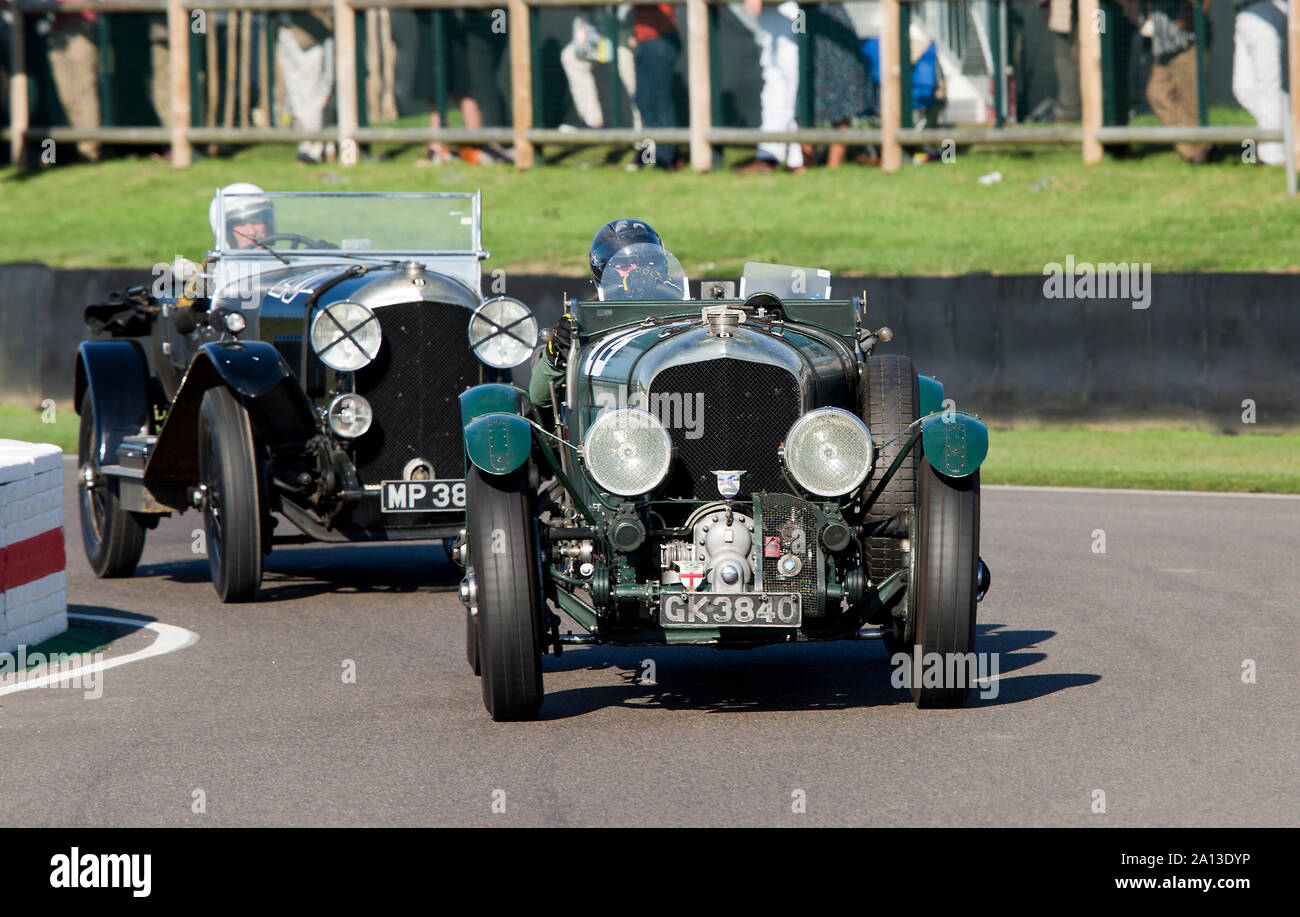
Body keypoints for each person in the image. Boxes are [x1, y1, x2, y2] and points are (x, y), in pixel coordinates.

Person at [529, 219, 667, 412]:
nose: (636, 271)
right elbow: (539, 398)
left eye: (645, 261)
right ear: (602, 269)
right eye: (623, 264)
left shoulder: (683, 310)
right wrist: (558, 350)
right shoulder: (584, 321)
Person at [736, 0, 804, 174]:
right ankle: (769, 155)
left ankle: (798, 159)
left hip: (797, 16)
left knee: (794, 83)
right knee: (773, 87)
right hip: (770, 22)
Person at [1140, 0, 1212, 163]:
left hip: (1188, 42)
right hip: (1164, 46)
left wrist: (1190, 17)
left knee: (1191, 105)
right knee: (1156, 93)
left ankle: (1199, 153)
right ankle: (1192, 149)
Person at [560, 8, 642, 131]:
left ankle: (643, 131)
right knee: (571, 57)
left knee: (633, 80)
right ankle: (592, 122)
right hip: (597, 29)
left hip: (625, 29)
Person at [1232, 0, 1288, 165]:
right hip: (1243, 14)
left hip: (1266, 11)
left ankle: (1273, 155)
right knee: (1242, 89)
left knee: (1268, 89)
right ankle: (1287, 131)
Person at [277, 11, 335, 164]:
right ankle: (312, 146)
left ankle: (312, 150)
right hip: (287, 31)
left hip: (313, 36)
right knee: (297, 97)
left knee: (312, 95)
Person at [47, 0, 101, 162]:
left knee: (84, 91)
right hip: (58, 31)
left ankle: (90, 150)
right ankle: (82, 147)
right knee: (67, 95)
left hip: (81, 27)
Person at [633, 4, 681, 168]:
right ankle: (652, 156)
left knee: (660, 101)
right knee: (643, 100)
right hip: (643, 41)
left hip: (660, 39)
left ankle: (667, 158)